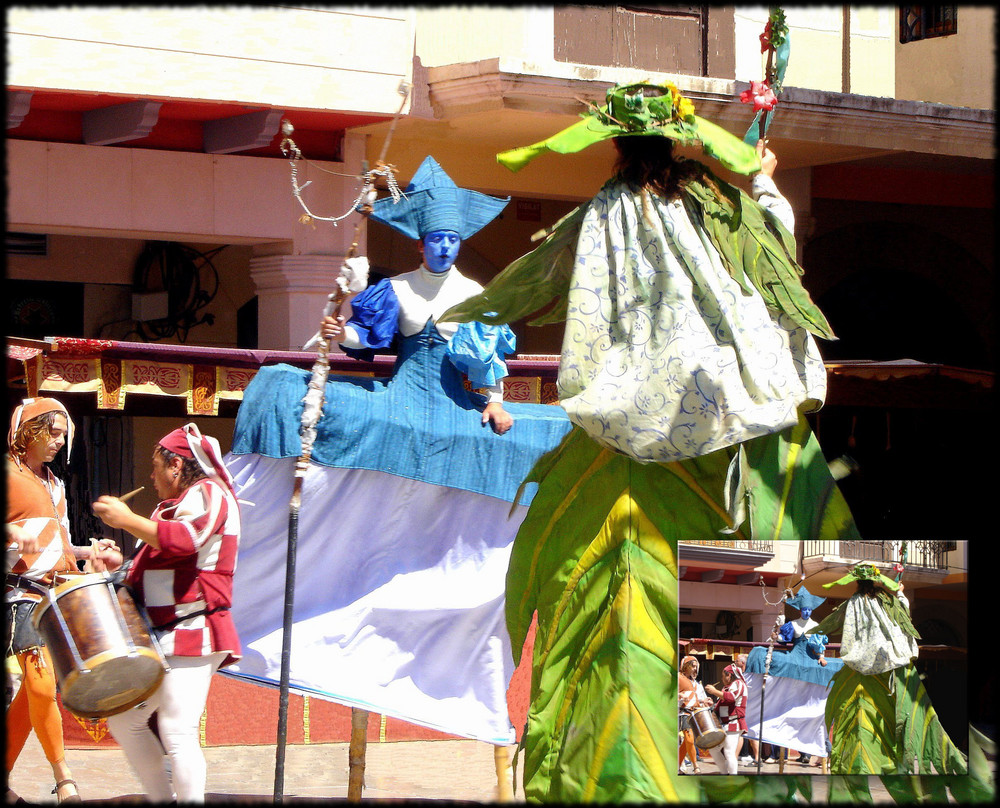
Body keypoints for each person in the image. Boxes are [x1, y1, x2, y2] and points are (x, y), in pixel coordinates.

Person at [444, 81, 847, 801]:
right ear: (678, 137)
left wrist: (464, 335)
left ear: (615, 145)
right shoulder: (718, 205)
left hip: (618, 437)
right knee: (722, 607)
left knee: (614, 621)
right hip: (726, 429)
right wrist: (766, 180)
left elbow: (529, 284)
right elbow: (777, 249)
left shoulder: (600, 213)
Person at [222, 156, 571, 746]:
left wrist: (493, 399)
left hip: (458, 407)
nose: (443, 246)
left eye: (452, 238)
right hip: (401, 401)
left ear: (461, 242)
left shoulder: (476, 294)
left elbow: (484, 363)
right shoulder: (399, 291)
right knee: (290, 392)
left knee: (549, 432)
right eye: (434, 238)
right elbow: (364, 342)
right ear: (419, 242)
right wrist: (342, 333)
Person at [91, 423, 241, 803]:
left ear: (176, 465)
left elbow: (186, 541)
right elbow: (153, 570)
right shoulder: (168, 509)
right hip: (167, 634)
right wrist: (117, 565)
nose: (152, 476)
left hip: (195, 626)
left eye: (157, 467)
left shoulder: (211, 493)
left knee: (177, 730)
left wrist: (126, 519)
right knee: (125, 722)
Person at [6, 397, 119, 805]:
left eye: (62, 436)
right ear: (30, 431)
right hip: (17, 593)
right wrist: (12, 536)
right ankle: (64, 777)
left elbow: (60, 543)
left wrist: (91, 552)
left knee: (34, 693)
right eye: (52, 433)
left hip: (52, 595)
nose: (59, 442)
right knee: (40, 685)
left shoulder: (54, 483)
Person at [808, 562, 967, 775]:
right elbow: (903, 614)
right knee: (892, 712)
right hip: (889, 664)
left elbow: (833, 622)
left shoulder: (853, 603)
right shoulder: (887, 600)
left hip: (860, 667)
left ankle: (866, 763)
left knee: (864, 713)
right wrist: (900, 594)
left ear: (856, 582)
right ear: (875, 580)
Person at [704, 664, 748, 775]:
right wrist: (712, 704)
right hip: (725, 724)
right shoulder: (726, 688)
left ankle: (733, 776)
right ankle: (724, 774)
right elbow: (722, 704)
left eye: (723, 676)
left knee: (729, 752)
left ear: (729, 675)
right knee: (713, 749)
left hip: (734, 722)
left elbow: (731, 698)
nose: (722, 679)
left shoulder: (739, 684)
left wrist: (714, 691)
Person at [678, 655, 711, 773]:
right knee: (689, 740)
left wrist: (704, 701)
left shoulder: (694, 683)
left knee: (688, 741)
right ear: (686, 666)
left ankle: (678, 765)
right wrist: (679, 696)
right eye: (693, 666)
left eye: (696, 667)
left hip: (693, 713)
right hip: (682, 713)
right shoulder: (678, 677)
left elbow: (694, 698)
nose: (695, 669)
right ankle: (695, 766)